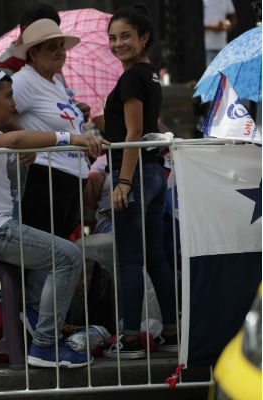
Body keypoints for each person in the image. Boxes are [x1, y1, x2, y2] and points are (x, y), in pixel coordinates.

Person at [0, 65, 107, 368]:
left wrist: (20, 161)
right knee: (68, 256)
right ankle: (44, 346)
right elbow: (16, 140)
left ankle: (35, 326)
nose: (14, 105)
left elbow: (5, 170)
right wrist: (72, 138)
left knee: (53, 247)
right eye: (7, 97)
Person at [102, 5, 178, 359]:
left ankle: (130, 339)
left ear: (144, 37)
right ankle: (173, 330)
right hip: (154, 173)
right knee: (155, 257)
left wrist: (123, 183)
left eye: (125, 36)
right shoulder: (148, 75)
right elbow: (143, 124)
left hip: (135, 175)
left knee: (130, 260)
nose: (118, 43)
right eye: (113, 37)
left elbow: (133, 132)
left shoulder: (131, 78)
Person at [11, 18, 90, 240]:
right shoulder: (23, 81)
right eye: (51, 47)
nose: (60, 52)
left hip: (68, 180)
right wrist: (20, 141)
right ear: (33, 54)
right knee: (47, 256)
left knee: (58, 254)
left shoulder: (56, 83)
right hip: (44, 179)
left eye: (61, 46)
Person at [203, 0, 237, 66]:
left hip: (222, 48)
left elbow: (233, 17)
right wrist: (212, 27)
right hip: (205, 48)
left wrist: (229, 25)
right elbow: (193, 23)